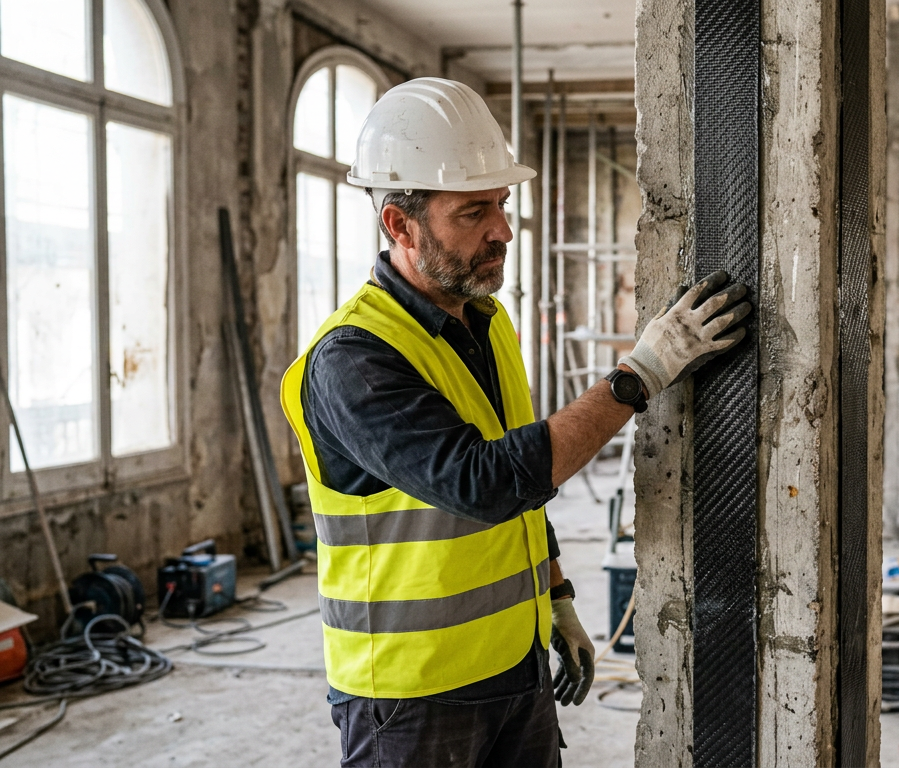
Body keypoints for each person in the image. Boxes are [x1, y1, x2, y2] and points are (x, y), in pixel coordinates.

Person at [279, 77, 752, 768]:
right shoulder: (353, 360)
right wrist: (639, 374)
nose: (501, 229)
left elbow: (529, 488)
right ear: (399, 225)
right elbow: (487, 482)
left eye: (501, 204)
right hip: (412, 697)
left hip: (512, 665)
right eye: (473, 212)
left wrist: (555, 597)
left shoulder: (486, 322)